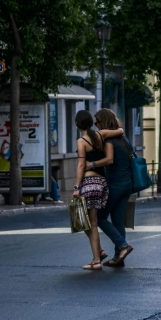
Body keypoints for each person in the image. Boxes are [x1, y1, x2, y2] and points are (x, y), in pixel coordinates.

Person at [87, 109, 134, 267]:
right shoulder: (124, 139)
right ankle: (118, 257)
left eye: (97, 122)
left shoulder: (108, 140)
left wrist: (91, 164)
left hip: (115, 185)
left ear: (103, 122)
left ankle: (122, 245)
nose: (96, 125)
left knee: (99, 217)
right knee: (118, 221)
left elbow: (109, 160)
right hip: (128, 185)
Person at [73, 110, 112, 271]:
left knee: (87, 222)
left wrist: (77, 187)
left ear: (76, 124)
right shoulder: (100, 136)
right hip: (101, 182)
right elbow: (119, 131)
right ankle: (99, 252)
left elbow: (81, 165)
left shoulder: (81, 141)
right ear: (91, 122)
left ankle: (96, 260)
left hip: (88, 183)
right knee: (86, 222)